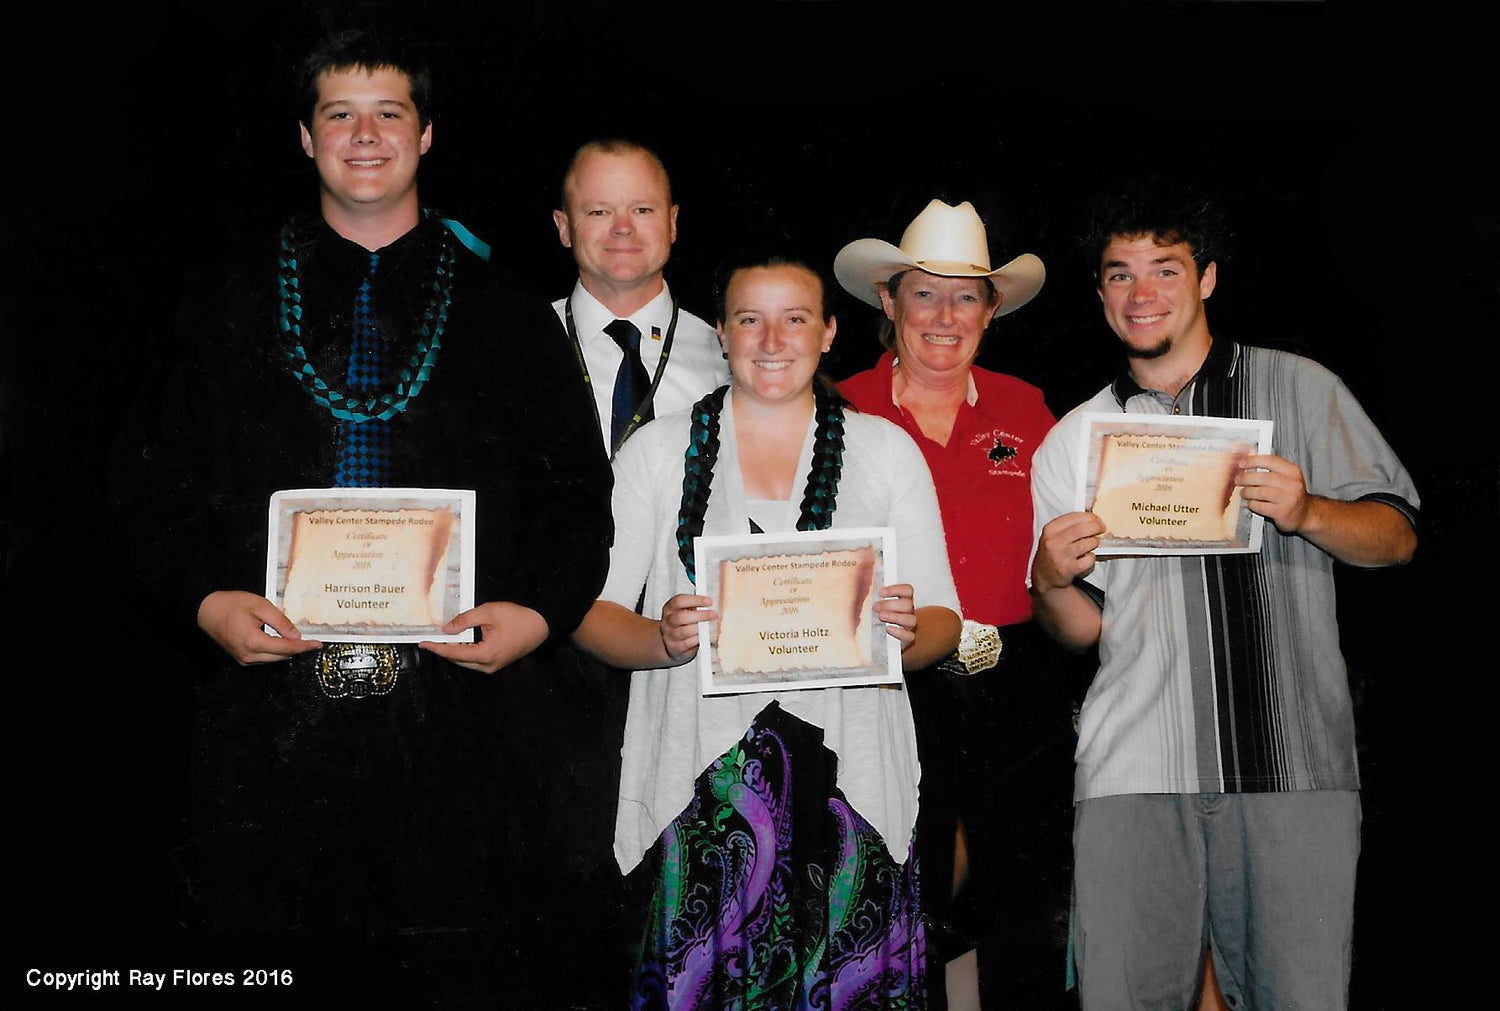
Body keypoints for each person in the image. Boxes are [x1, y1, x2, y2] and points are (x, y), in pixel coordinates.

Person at [111, 29, 612, 1004]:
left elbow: (574, 493)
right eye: (340, 113)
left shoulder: (506, 311)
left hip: (461, 728)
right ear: (305, 139)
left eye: (391, 112)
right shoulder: (225, 300)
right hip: (270, 732)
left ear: (427, 136)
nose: (366, 134)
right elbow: (144, 481)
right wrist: (207, 602)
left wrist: (540, 617)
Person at [1028, 178, 1418, 1009]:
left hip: (1293, 764)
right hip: (1132, 771)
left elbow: (1396, 538)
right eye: (1120, 273)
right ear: (1098, 293)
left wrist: (1310, 510)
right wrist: (1048, 578)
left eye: (1165, 269)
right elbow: (1080, 631)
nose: (1142, 293)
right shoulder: (1074, 438)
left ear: (1206, 279)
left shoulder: (1300, 389)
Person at [573, 253, 962, 1006]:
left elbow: (943, 618)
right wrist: (660, 639)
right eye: (750, 318)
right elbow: (594, 613)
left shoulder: (886, 451)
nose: (772, 338)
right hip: (705, 787)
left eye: (795, 318)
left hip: (849, 788)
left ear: (830, 332)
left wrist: (907, 632)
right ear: (722, 332)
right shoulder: (656, 451)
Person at [834, 199, 1073, 1004]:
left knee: (1024, 894)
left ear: (991, 310)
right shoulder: (838, 409)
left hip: (1017, 677)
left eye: (965, 295)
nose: (945, 315)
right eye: (924, 293)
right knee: (906, 883)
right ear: (887, 302)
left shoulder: (1029, 408)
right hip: (894, 679)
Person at [552, 139, 730, 459]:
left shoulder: (726, 358)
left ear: (672, 223)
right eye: (599, 211)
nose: (623, 228)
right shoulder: (518, 346)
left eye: (642, 210)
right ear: (564, 228)